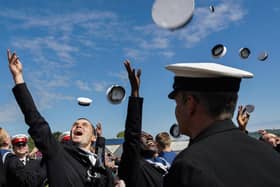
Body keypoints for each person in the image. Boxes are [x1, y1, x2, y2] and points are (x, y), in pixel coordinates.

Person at [7, 49, 114, 187]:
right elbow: (37, 123)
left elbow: (100, 161)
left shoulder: (99, 166)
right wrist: (18, 78)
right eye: (75, 124)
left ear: (93, 137)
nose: (78, 126)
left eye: (84, 125)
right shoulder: (59, 154)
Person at [163, 62, 280, 186]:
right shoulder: (270, 155)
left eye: (177, 104)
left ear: (190, 104)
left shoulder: (188, 167)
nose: (176, 111)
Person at [118, 60, 168, 187]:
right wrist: (135, 92)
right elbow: (132, 134)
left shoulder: (161, 165)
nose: (149, 137)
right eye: (143, 135)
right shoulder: (133, 165)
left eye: (150, 135)